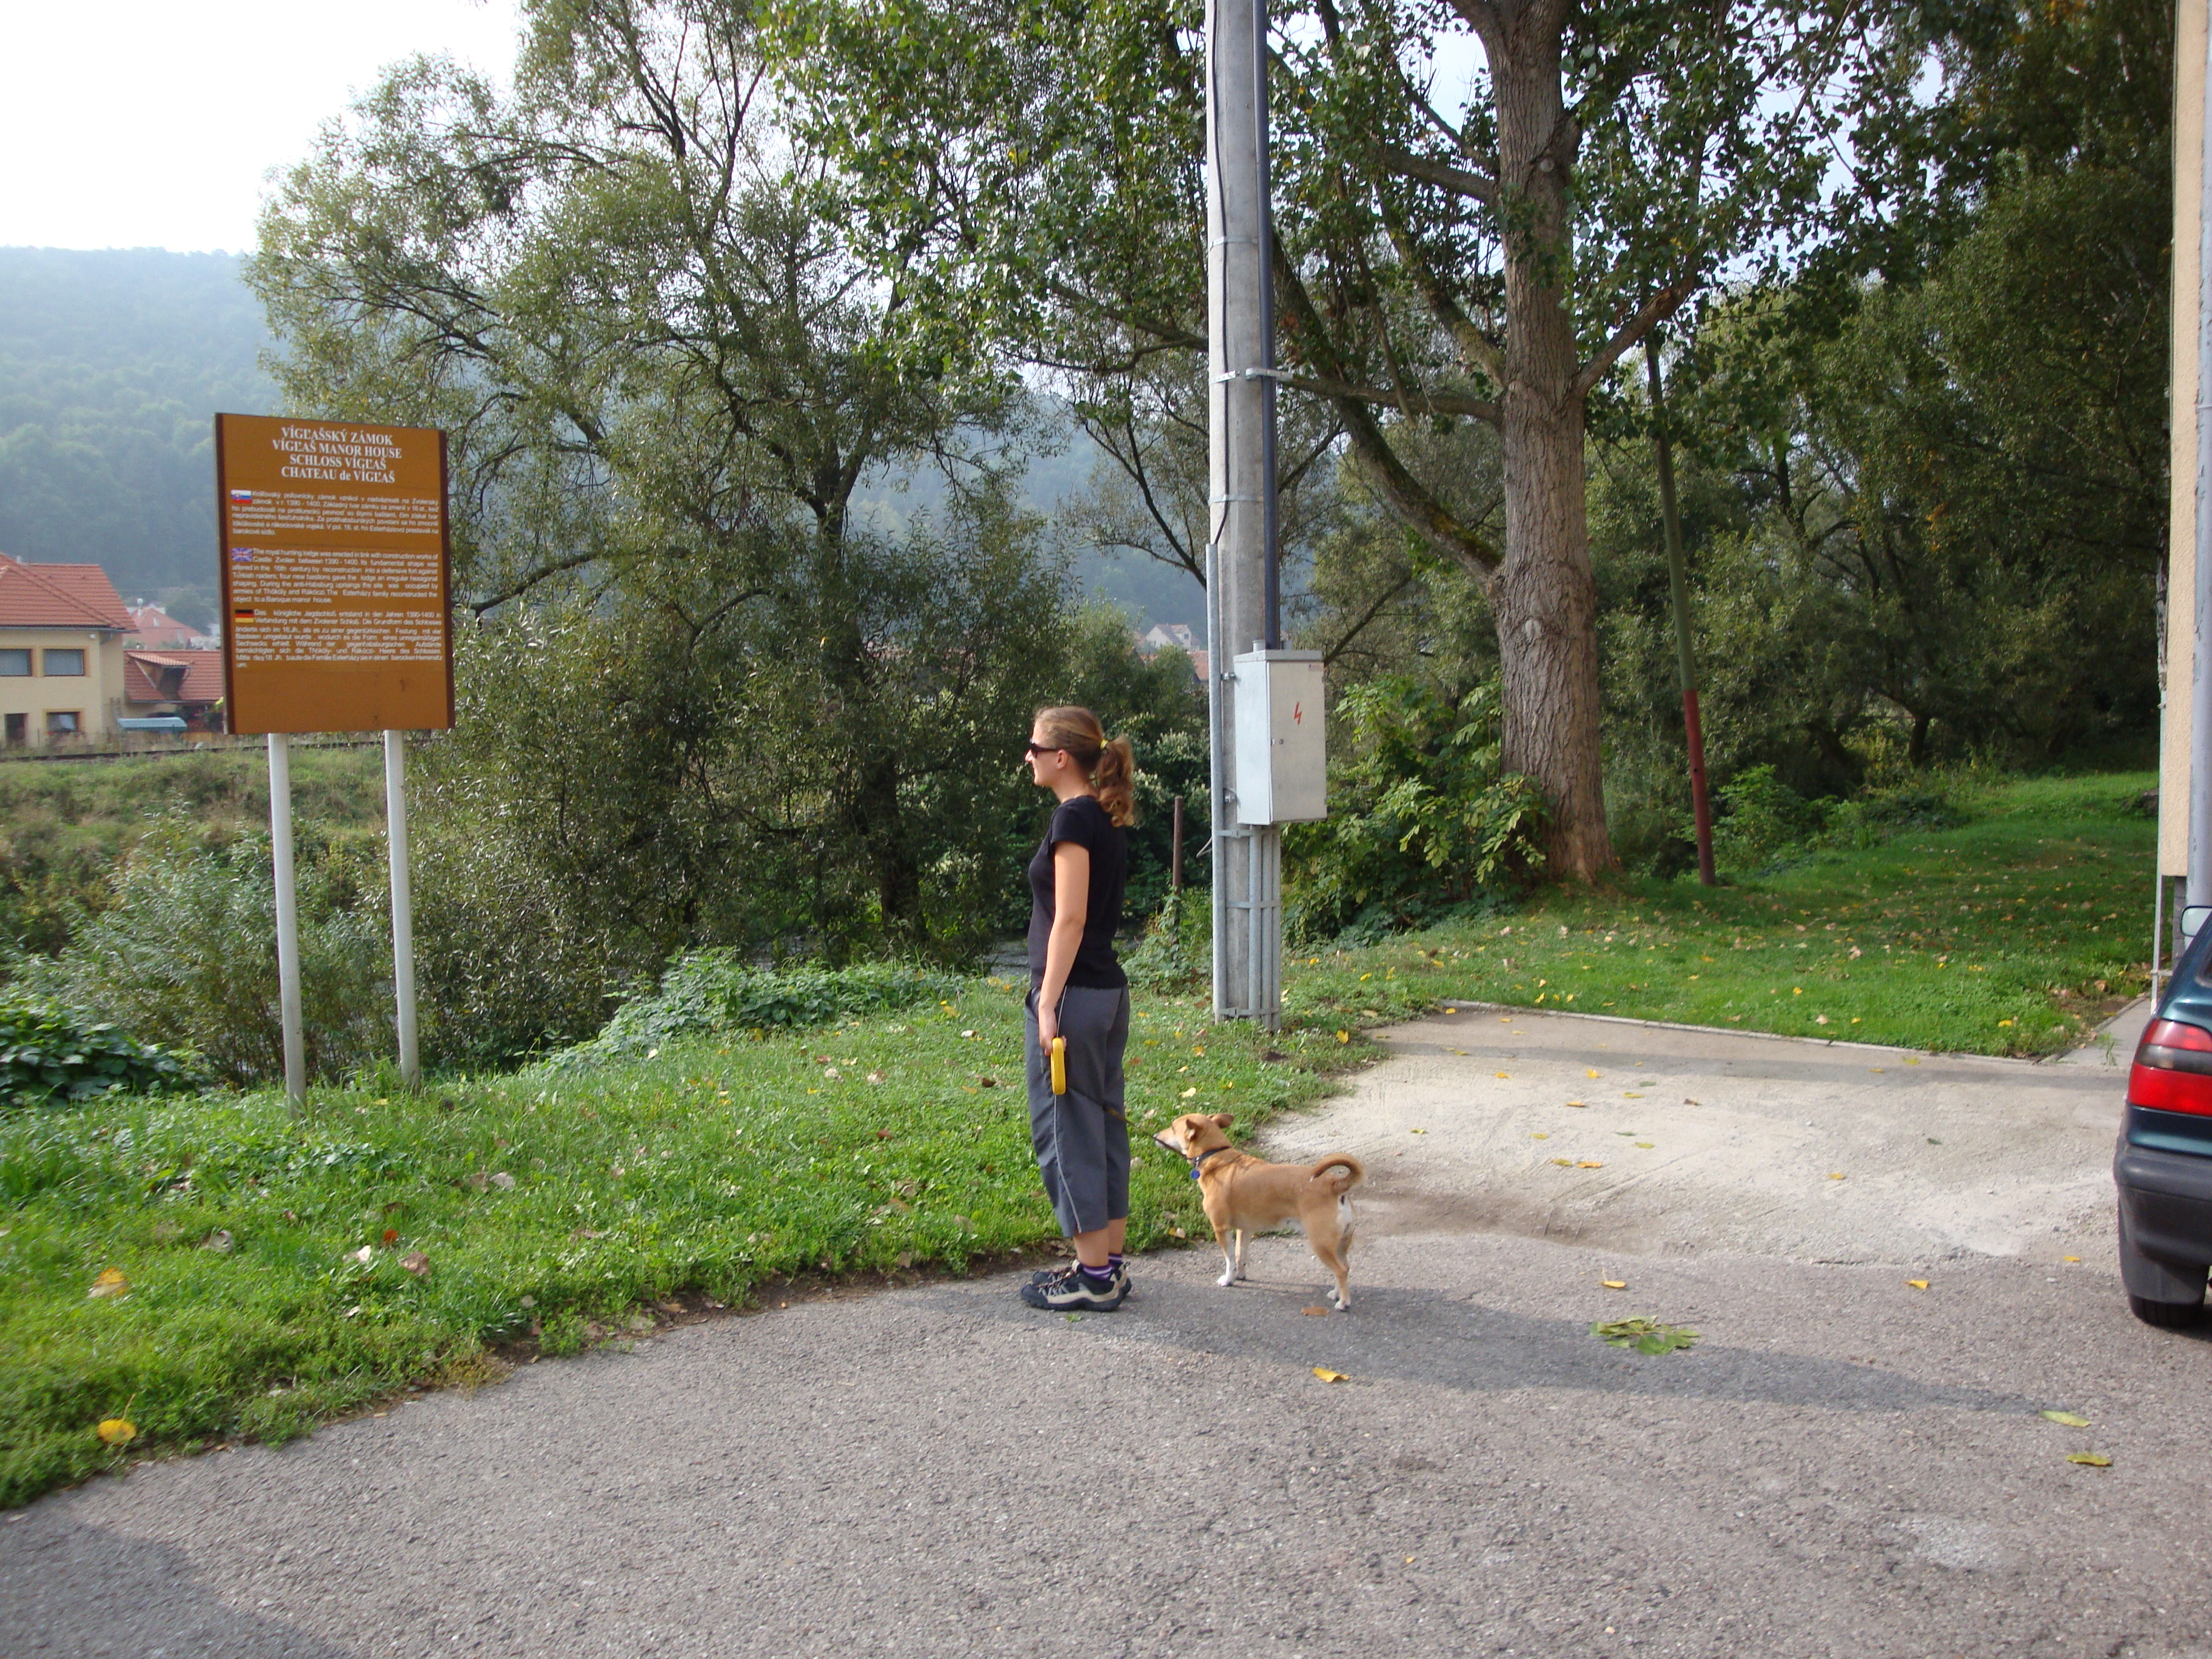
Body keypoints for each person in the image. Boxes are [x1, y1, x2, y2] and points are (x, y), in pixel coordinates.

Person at [1017, 706, 1136, 1311]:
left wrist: (1047, 1003)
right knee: (1104, 1125)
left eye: (1034, 748)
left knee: (1068, 1131)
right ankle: (1107, 1264)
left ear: (1061, 757)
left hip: (1074, 999)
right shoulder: (1104, 816)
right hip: (1107, 994)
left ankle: (1092, 1279)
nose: (1028, 757)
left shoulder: (1073, 818)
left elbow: (1070, 918)